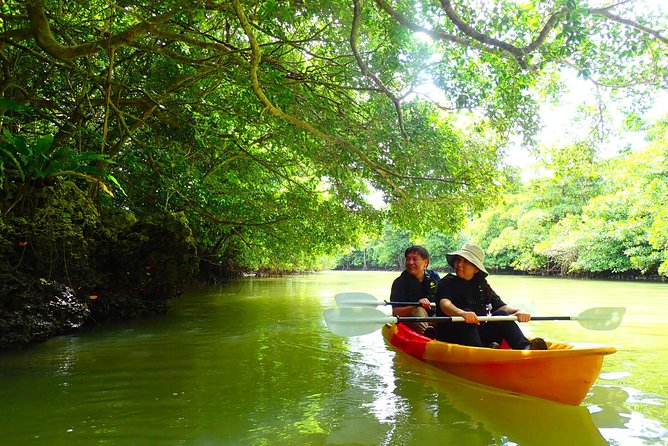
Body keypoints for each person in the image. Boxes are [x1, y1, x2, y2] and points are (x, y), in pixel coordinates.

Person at [434, 243, 547, 350]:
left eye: (465, 261)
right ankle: (482, 352)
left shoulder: (482, 286)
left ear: (476, 268)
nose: (459, 264)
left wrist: (518, 311)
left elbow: (501, 307)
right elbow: (445, 304)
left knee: (501, 315)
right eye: (458, 259)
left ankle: (525, 347)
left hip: (477, 334)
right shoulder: (447, 282)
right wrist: (462, 313)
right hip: (452, 334)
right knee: (467, 317)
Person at [390, 245, 440, 338]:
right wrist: (416, 305)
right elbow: (396, 312)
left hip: (432, 318)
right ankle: (425, 336)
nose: (410, 262)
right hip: (411, 319)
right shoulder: (399, 282)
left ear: (425, 263)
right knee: (419, 310)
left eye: (415, 259)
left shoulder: (434, 278)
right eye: (408, 259)